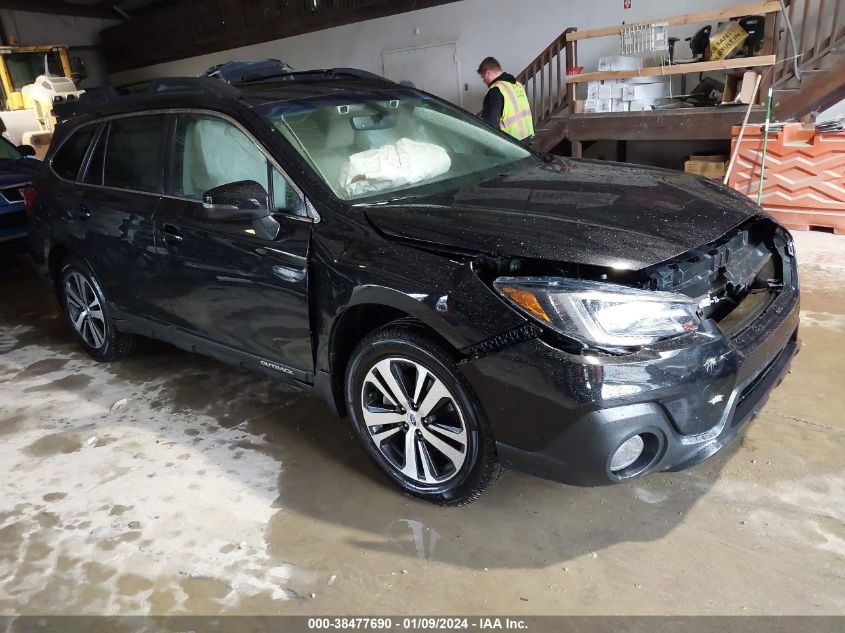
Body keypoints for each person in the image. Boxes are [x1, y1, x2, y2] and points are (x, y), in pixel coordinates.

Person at [477, 57, 534, 145]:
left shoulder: (496, 90)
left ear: (488, 73)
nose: (483, 81)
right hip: (526, 137)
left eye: (483, 77)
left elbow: (491, 125)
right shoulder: (517, 85)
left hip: (510, 143)